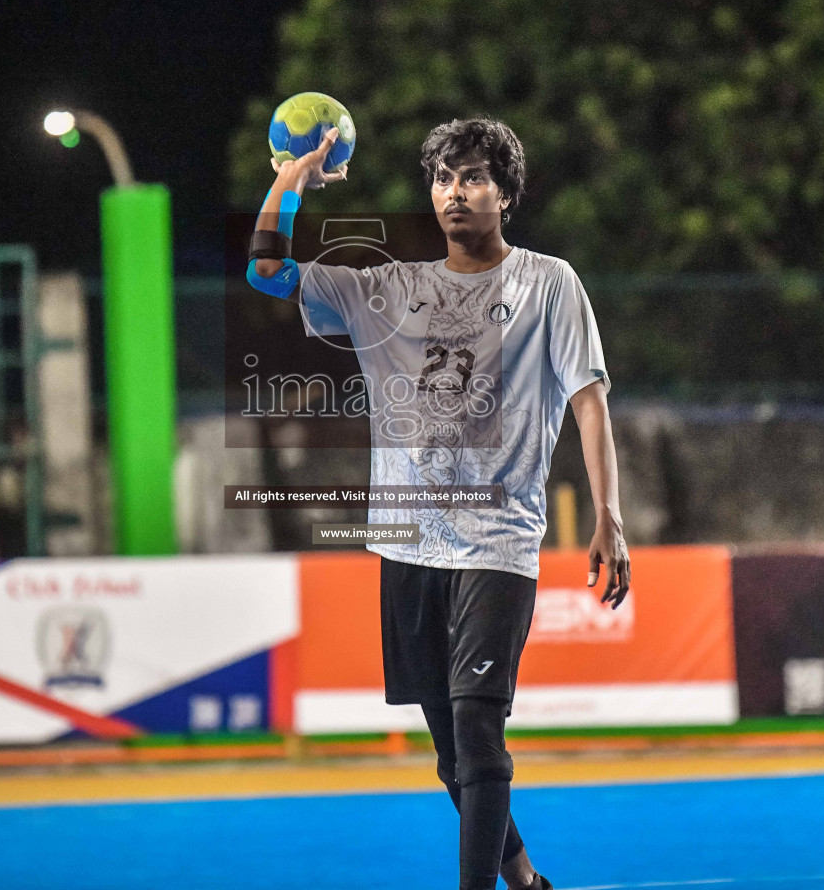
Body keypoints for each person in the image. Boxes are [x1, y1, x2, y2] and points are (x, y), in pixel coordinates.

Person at [247, 118, 630, 890]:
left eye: (477, 177)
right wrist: (294, 177)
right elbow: (266, 270)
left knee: (479, 732)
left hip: (499, 541)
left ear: (507, 194)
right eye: (446, 178)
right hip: (408, 545)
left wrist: (608, 515)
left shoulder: (549, 283)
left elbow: (589, 400)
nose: (458, 191)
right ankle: (524, 880)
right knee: (452, 756)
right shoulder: (386, 288)